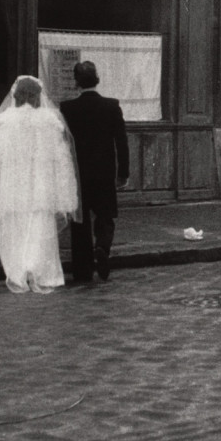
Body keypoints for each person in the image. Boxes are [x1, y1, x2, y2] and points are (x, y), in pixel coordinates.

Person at [0, 74, 80, 295]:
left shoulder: (3, 122)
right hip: (41, 186)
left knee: (14, 232)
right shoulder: (50, 121)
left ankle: (18, 271)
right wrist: (64, 194)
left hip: (13, 187)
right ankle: (39, 271)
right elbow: (61, 161)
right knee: (40, 231)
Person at [60, 61, 129, 282]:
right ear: (97, 79)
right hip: (104, 172)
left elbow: (63, 145)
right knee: (105, 216)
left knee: (80, 222)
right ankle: (102, 246)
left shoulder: (67, 109)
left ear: (76, 82)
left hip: (78, 175)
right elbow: (122, 141)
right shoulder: (111, 106)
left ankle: (83, 270)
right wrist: (123, 172)